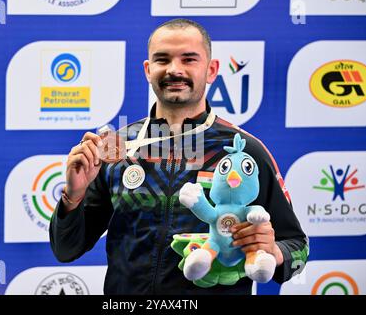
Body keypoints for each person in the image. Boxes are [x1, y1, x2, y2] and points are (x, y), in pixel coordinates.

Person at [50, 18, 308, 295]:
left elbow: (297, 247)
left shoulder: (244, 152)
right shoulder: (116, 149)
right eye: (163, 60)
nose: (175, 70)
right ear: (148, 70)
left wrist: (273, 251)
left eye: (189, 59)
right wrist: (72, 196)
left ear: (211, 70)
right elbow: (66, 250)